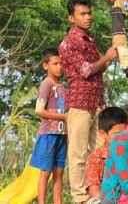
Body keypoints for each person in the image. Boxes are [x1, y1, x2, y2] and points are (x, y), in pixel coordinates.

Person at [58, 0, 118, 203]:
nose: (88, 17)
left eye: (89, 12)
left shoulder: (90, 40)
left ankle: (107, 190)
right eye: (82, 14)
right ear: (71, 18)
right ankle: (80, 198)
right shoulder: (68, 43)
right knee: (78, 155)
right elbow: (86, 71)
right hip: (79, 104)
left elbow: (98, 68)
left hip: (96, 103)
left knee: (107, 149)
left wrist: (114, 53)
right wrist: (108, 57)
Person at [30, 48, 68, 204]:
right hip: (48, 135)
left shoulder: (63, 87)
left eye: (61, 63)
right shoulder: (46, 84)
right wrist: (63, 116)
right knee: (45, 172)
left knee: (59, 171)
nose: (59, 67)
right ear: (46, 66)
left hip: (62, 135)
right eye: (55, 64)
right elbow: (39, 110)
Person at [84, 107, 128, 204]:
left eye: (125, 134)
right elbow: (93, 189)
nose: (122, 138)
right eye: (117, 134)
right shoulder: (95, 158)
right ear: (102, 133)